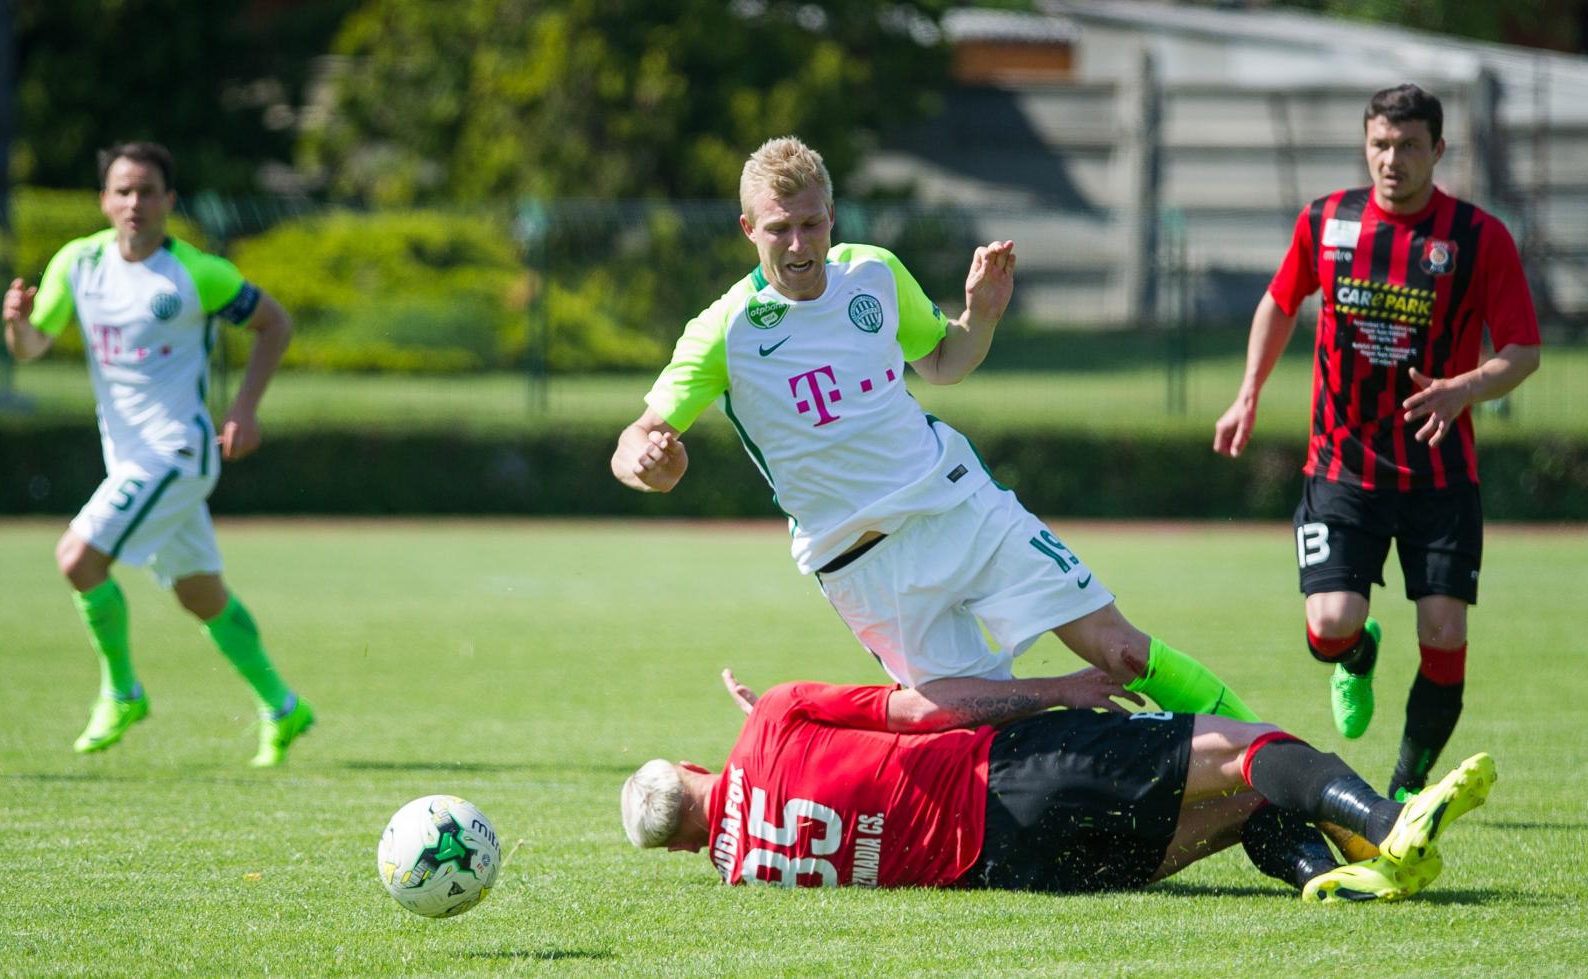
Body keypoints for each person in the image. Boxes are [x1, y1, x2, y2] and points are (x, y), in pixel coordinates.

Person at [612, 135, 1257, 726]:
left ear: (831, 214)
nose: (800, 246)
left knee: (1121, 650)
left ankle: (1273, 761)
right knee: (994, 726)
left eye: (812, 224)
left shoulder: (873, 272)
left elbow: (945, 361)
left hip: (959, 504)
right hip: (864, 565)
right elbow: (635, 438)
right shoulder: (725, 329)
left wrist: (981, 315)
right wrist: (647, 463)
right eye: (780, 230)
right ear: (749, 229)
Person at [1212, 84, 1542, 799]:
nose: (1393, 160)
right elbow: (1278, 301)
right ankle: (1356, 655)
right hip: (1342, 464)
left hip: (1440, 473)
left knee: (1446, 632)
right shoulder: (1325, 220)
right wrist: (1248, 392)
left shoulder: (1478, 237)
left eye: (1409, 146)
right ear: (1366, 145)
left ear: (1438, 151)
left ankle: (1403, 788)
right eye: (1381, 145)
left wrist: (1464, 388)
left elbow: (1523, 349)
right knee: (1329, 625)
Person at [621, 669, 1496, 901]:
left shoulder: (742, 869)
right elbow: (924, 709)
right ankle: (1391, 820)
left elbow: (771, 807)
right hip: (1012, 777)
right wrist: (1054, 691)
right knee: (1255, 748)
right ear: (696, 767)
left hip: (1021, 868)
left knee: (1248, 807)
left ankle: (1323, 878)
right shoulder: (771, 722)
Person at [0, 141, 314, 766]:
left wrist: (244, 408)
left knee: (76, 558)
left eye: (147, 191)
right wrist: (16, 323)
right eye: (123, 190)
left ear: (170, 201)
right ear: (104, 200)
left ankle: (122, 691)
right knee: (201, 595)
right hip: (130, 460)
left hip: (176, 452)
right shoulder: (79, 264)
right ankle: (283, 706)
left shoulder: (196, 272)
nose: (134, 202)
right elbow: (32, 347)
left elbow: (274, 323)